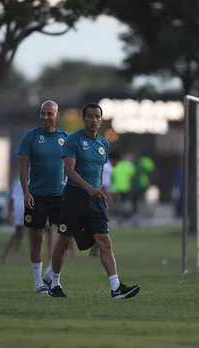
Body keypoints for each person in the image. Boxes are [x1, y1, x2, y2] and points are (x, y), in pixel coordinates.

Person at [44, 103, 140, 299]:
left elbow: (101, 171)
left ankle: (116, 288)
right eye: (90, 116)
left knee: (104, 241)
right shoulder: (73, 140)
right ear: (84, 118)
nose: (94, 120)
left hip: (95, 199)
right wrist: (88, 187)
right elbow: (69, 170)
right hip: (73, 197)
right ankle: (54, 282)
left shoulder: (104, 143)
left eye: (98, 117)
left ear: (101, 120)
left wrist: (102, 193)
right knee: (64, 241)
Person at [18, 100, 68, 294]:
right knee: (36, 238)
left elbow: (71, 166)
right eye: (42, 113)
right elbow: (23, 166)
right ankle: (38, 283)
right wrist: (25, 192)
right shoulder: (30, 137)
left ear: (57, 116)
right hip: (36, 195)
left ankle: (52, 275)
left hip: (59, 195)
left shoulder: (66, 138)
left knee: (66, 235)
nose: (45, 117)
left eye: (49, 114)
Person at [90, 151, 119, 258]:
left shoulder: (104, 165)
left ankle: (94, 252)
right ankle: (95, 252)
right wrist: (110, 202)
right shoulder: (107, 168)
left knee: (98, 227)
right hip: (100, 200)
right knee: (101, 228)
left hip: (95, 198)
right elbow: (104, 186)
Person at [1, 176, 26, 262]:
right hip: (23, 207)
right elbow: (12, 197)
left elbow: (12, 197)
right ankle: (5, 254)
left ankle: (13, 250)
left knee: (20, 231)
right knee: (20, 231)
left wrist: (10, 211)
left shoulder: (17, 181)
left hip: (19, 208)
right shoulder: (22, 181)